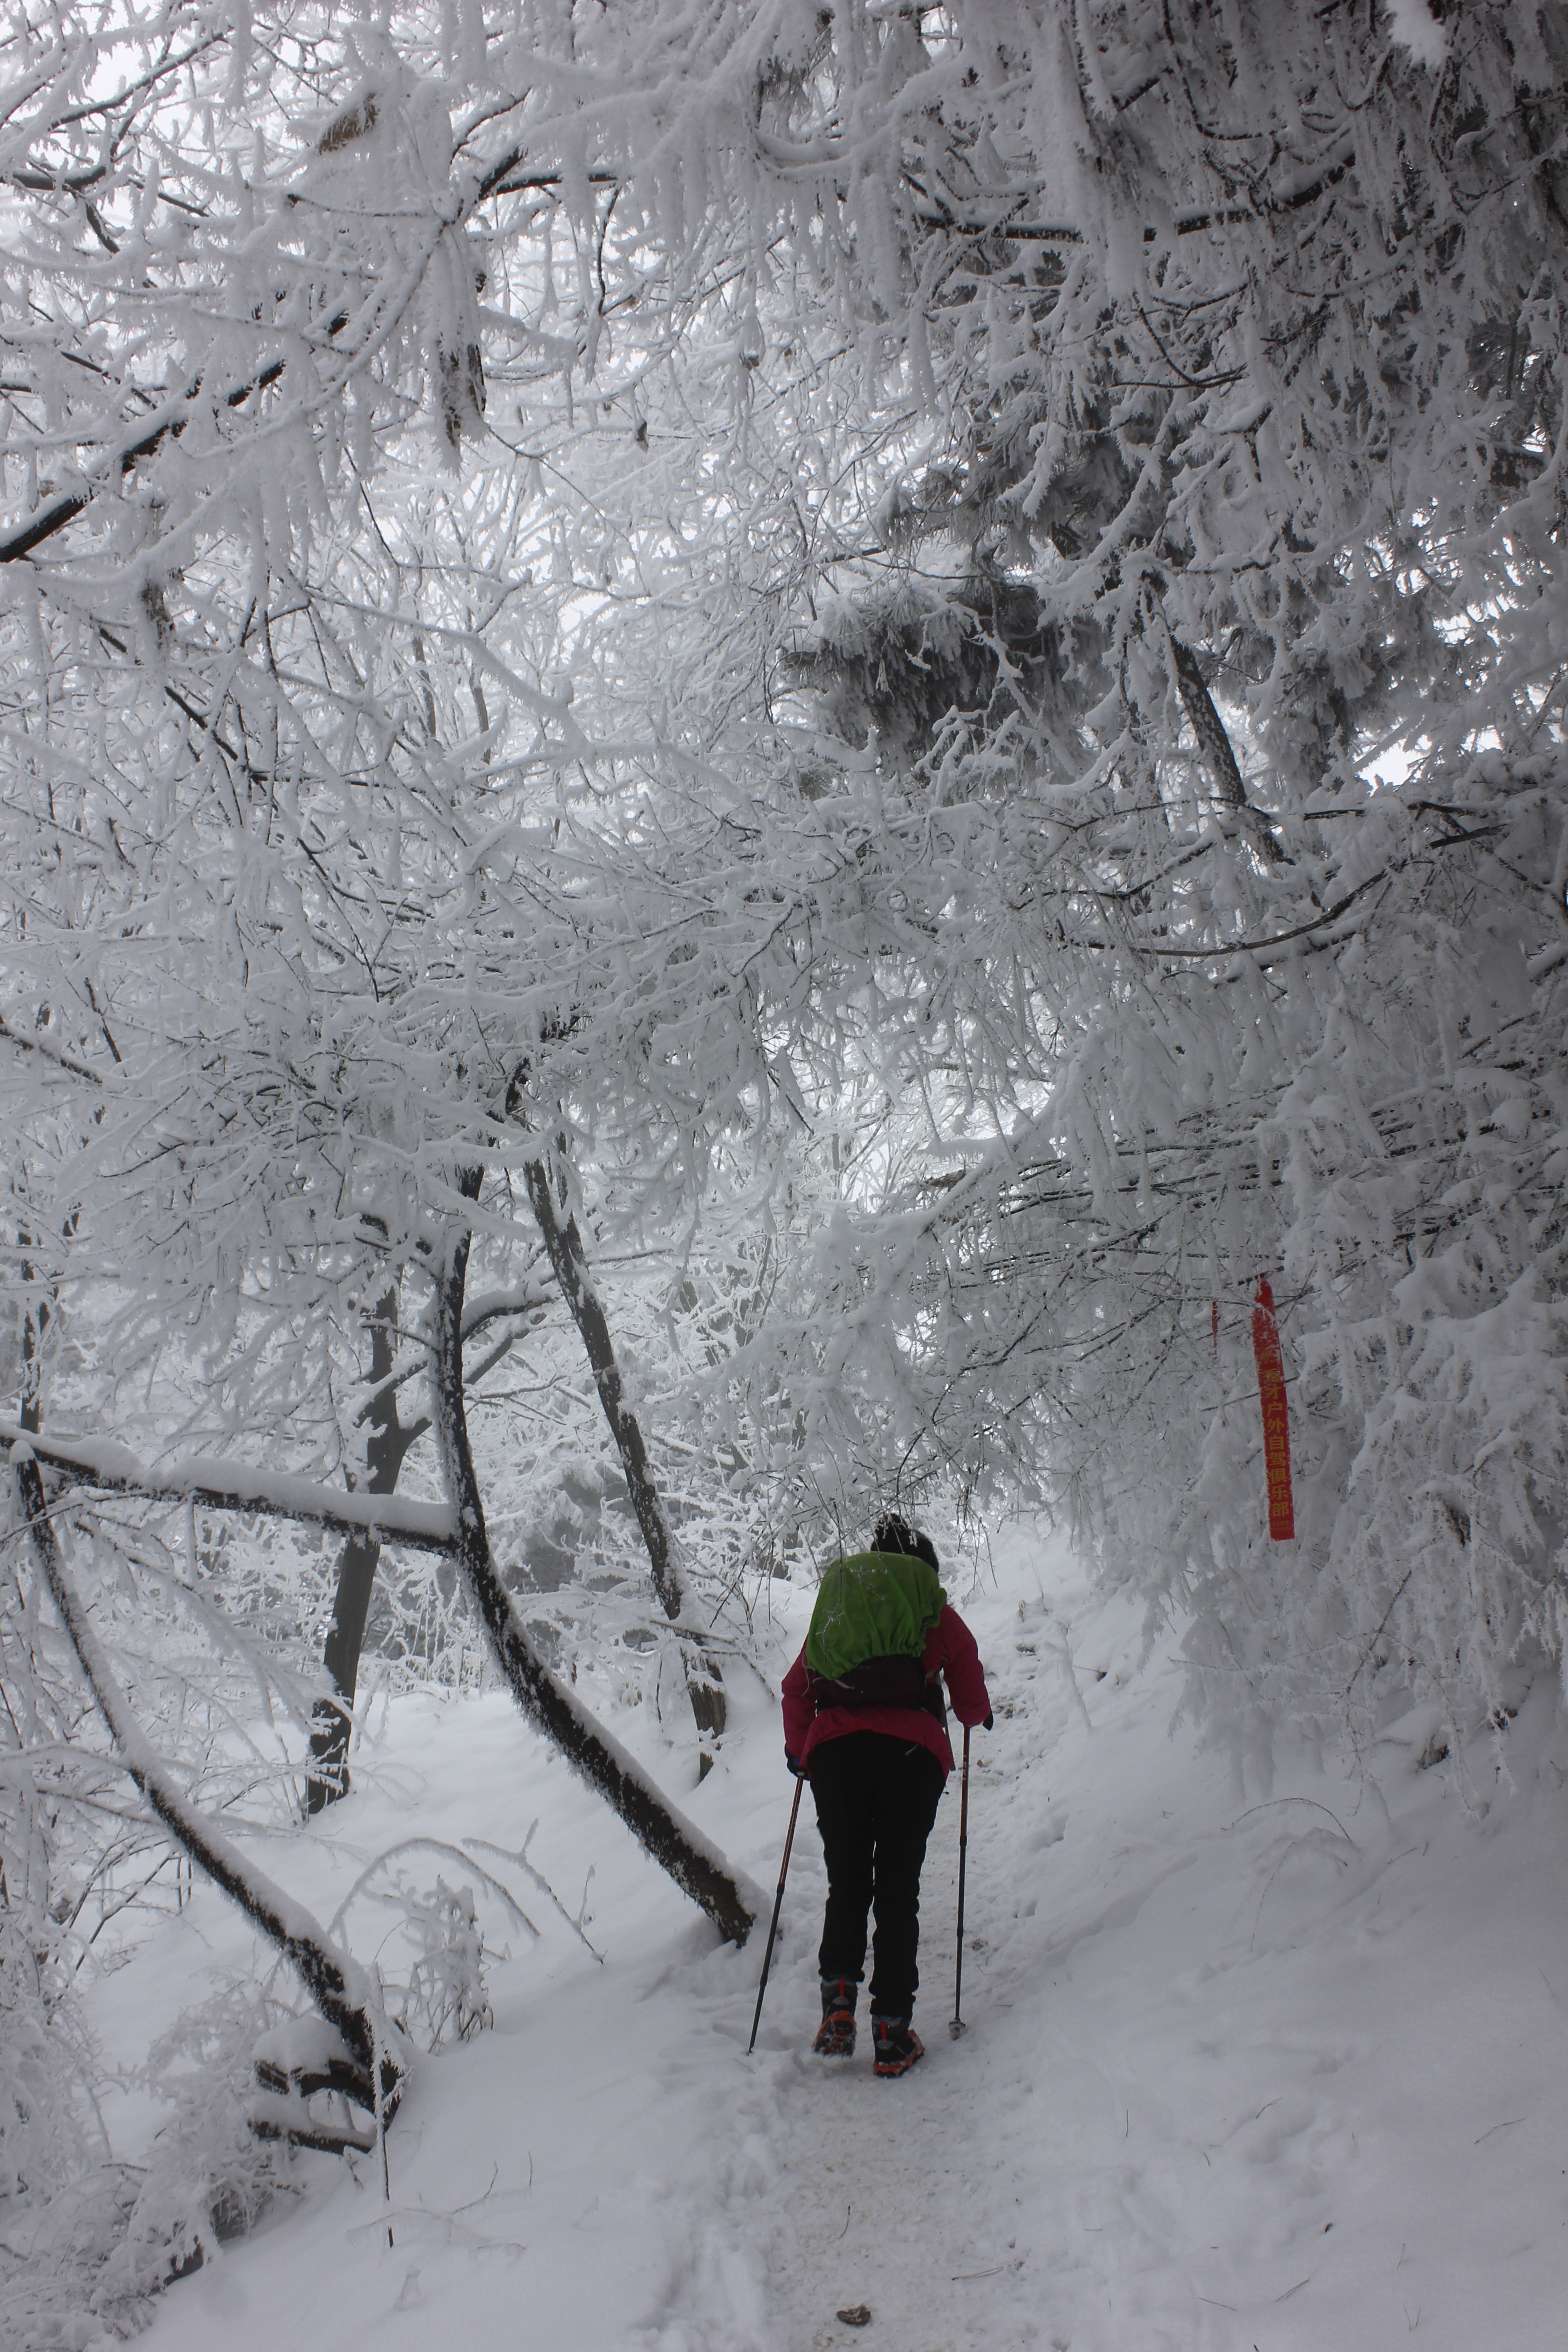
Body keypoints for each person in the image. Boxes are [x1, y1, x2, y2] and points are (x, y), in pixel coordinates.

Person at [781, 1515, 992, 2078]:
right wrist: (976, 1713)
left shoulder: (846, 1606)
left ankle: (838, 2009)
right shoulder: (929, 1606)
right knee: (898, 1888)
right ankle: (893, 2034)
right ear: (925, 1566)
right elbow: (965, 1662)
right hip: (911, 1756)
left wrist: (801, 1752)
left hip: (837, 1754)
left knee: (847, 1881)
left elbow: (797, 1686)